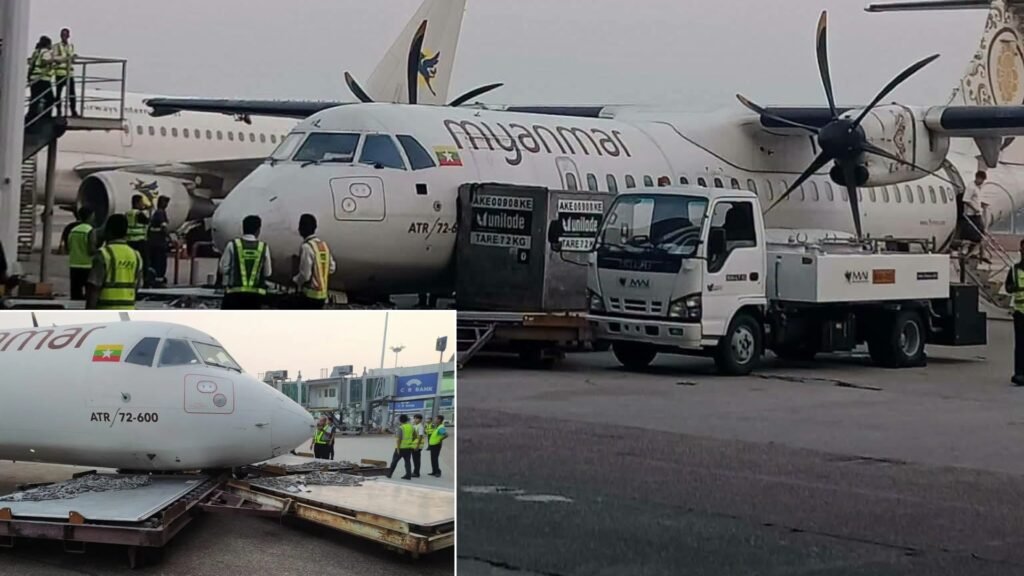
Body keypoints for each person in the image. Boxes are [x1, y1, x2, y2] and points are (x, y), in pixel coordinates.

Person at [86, 214, 142, 310]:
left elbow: (94, 288)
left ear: (108, 231)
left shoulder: (103, 254)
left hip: (106, 311)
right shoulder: (136, 255)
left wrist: (89, 313)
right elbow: (137, 286)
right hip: (127, 311)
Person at [219, 215, 273, 309]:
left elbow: (223, 269)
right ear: (258, 230)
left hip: (234, 295)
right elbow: (267, 273)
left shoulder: (232, 245)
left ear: (243, 228)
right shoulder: (263, 247)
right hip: (255, 298)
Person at [293, 214, 335, 309]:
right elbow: (332, 268)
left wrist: (295, 280)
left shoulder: (307, 247)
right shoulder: (323, 246)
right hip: (323, 296)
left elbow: (305, 275)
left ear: (301, 229)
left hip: (309, 296)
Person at [67, 206, 96, 301]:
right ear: (90, 216)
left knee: (75, 295)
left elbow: (68, 247)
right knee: (89, 295)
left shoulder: (73, 230)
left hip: (74, 265)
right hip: (87, 265)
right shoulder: (90, 230)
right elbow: (91, 250)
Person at [26, 36, 55, 124]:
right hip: (43, 78)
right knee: (50, 99)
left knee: (35, 98)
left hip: (34, 78)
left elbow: (31, 65)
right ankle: (46, 116)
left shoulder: (36, 52)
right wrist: (53, 60)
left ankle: (30, 116)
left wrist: (28, 77)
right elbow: (44, 61)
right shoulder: (45, 52)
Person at [963, 171, 990, 260]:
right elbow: (966, 200)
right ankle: (971, 251)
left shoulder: (978, 188)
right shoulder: (971, 187)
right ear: (977, 178)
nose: (982, 182)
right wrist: (975, 209)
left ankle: (978, 252)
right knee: (978, 234)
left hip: (977, 214)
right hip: (971, 215)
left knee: (982, 233)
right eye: (981, 180)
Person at [125, 195, 151, 286]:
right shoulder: (139, 214)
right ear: (136, 203)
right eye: (141, 203)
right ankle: (146, 281)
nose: (142, 204)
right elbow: (148, 221)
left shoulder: (127, 213)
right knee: (145, 262)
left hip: (129, 241)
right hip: (139, 241)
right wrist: (148, 210)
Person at [147, 196, 171, 287]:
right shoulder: (161, 213)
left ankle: (152, 278)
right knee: (160, 262)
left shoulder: (156, 213)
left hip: (153, 242)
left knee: (153, 262)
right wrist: (169, 238)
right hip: (159, 243)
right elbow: (164, 227)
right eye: (166, 202)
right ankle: (158, 280)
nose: (167, 205)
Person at [52, 28, 77, 117]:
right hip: (60, 73)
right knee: (58, 93)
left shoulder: (71, 46)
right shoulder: (56, 46)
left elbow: (71, 58)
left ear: (68, 36)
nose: (64, 37)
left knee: (72, 93)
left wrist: (73, 58)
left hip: (69, 73)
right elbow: (55, 58)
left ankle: (73, 111)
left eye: (66, 35)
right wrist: (66, 59)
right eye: (63, 35)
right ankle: (59, 111)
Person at [386, 414, 416, 480]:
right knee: (407, 462)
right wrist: (410, 442)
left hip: (401, 448)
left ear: (400, 420)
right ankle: (408, 475)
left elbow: (399, 439)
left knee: (394, 461)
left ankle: (389, 474)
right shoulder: (411, 427)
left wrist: (398, 448)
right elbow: (415, 436)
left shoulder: (401, 427)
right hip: (408, 447)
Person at [411, 414, 426, 478]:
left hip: (417, 446)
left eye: (416, 418)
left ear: (420, 420)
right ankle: (415, 472)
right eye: (414, 418)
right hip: (413, 445)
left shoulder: (420, 426)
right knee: (415, 460)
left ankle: (416, 473)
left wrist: (417, 446)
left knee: (416, 460)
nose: (415, 420)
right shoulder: (415, 426)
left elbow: (420, 436)